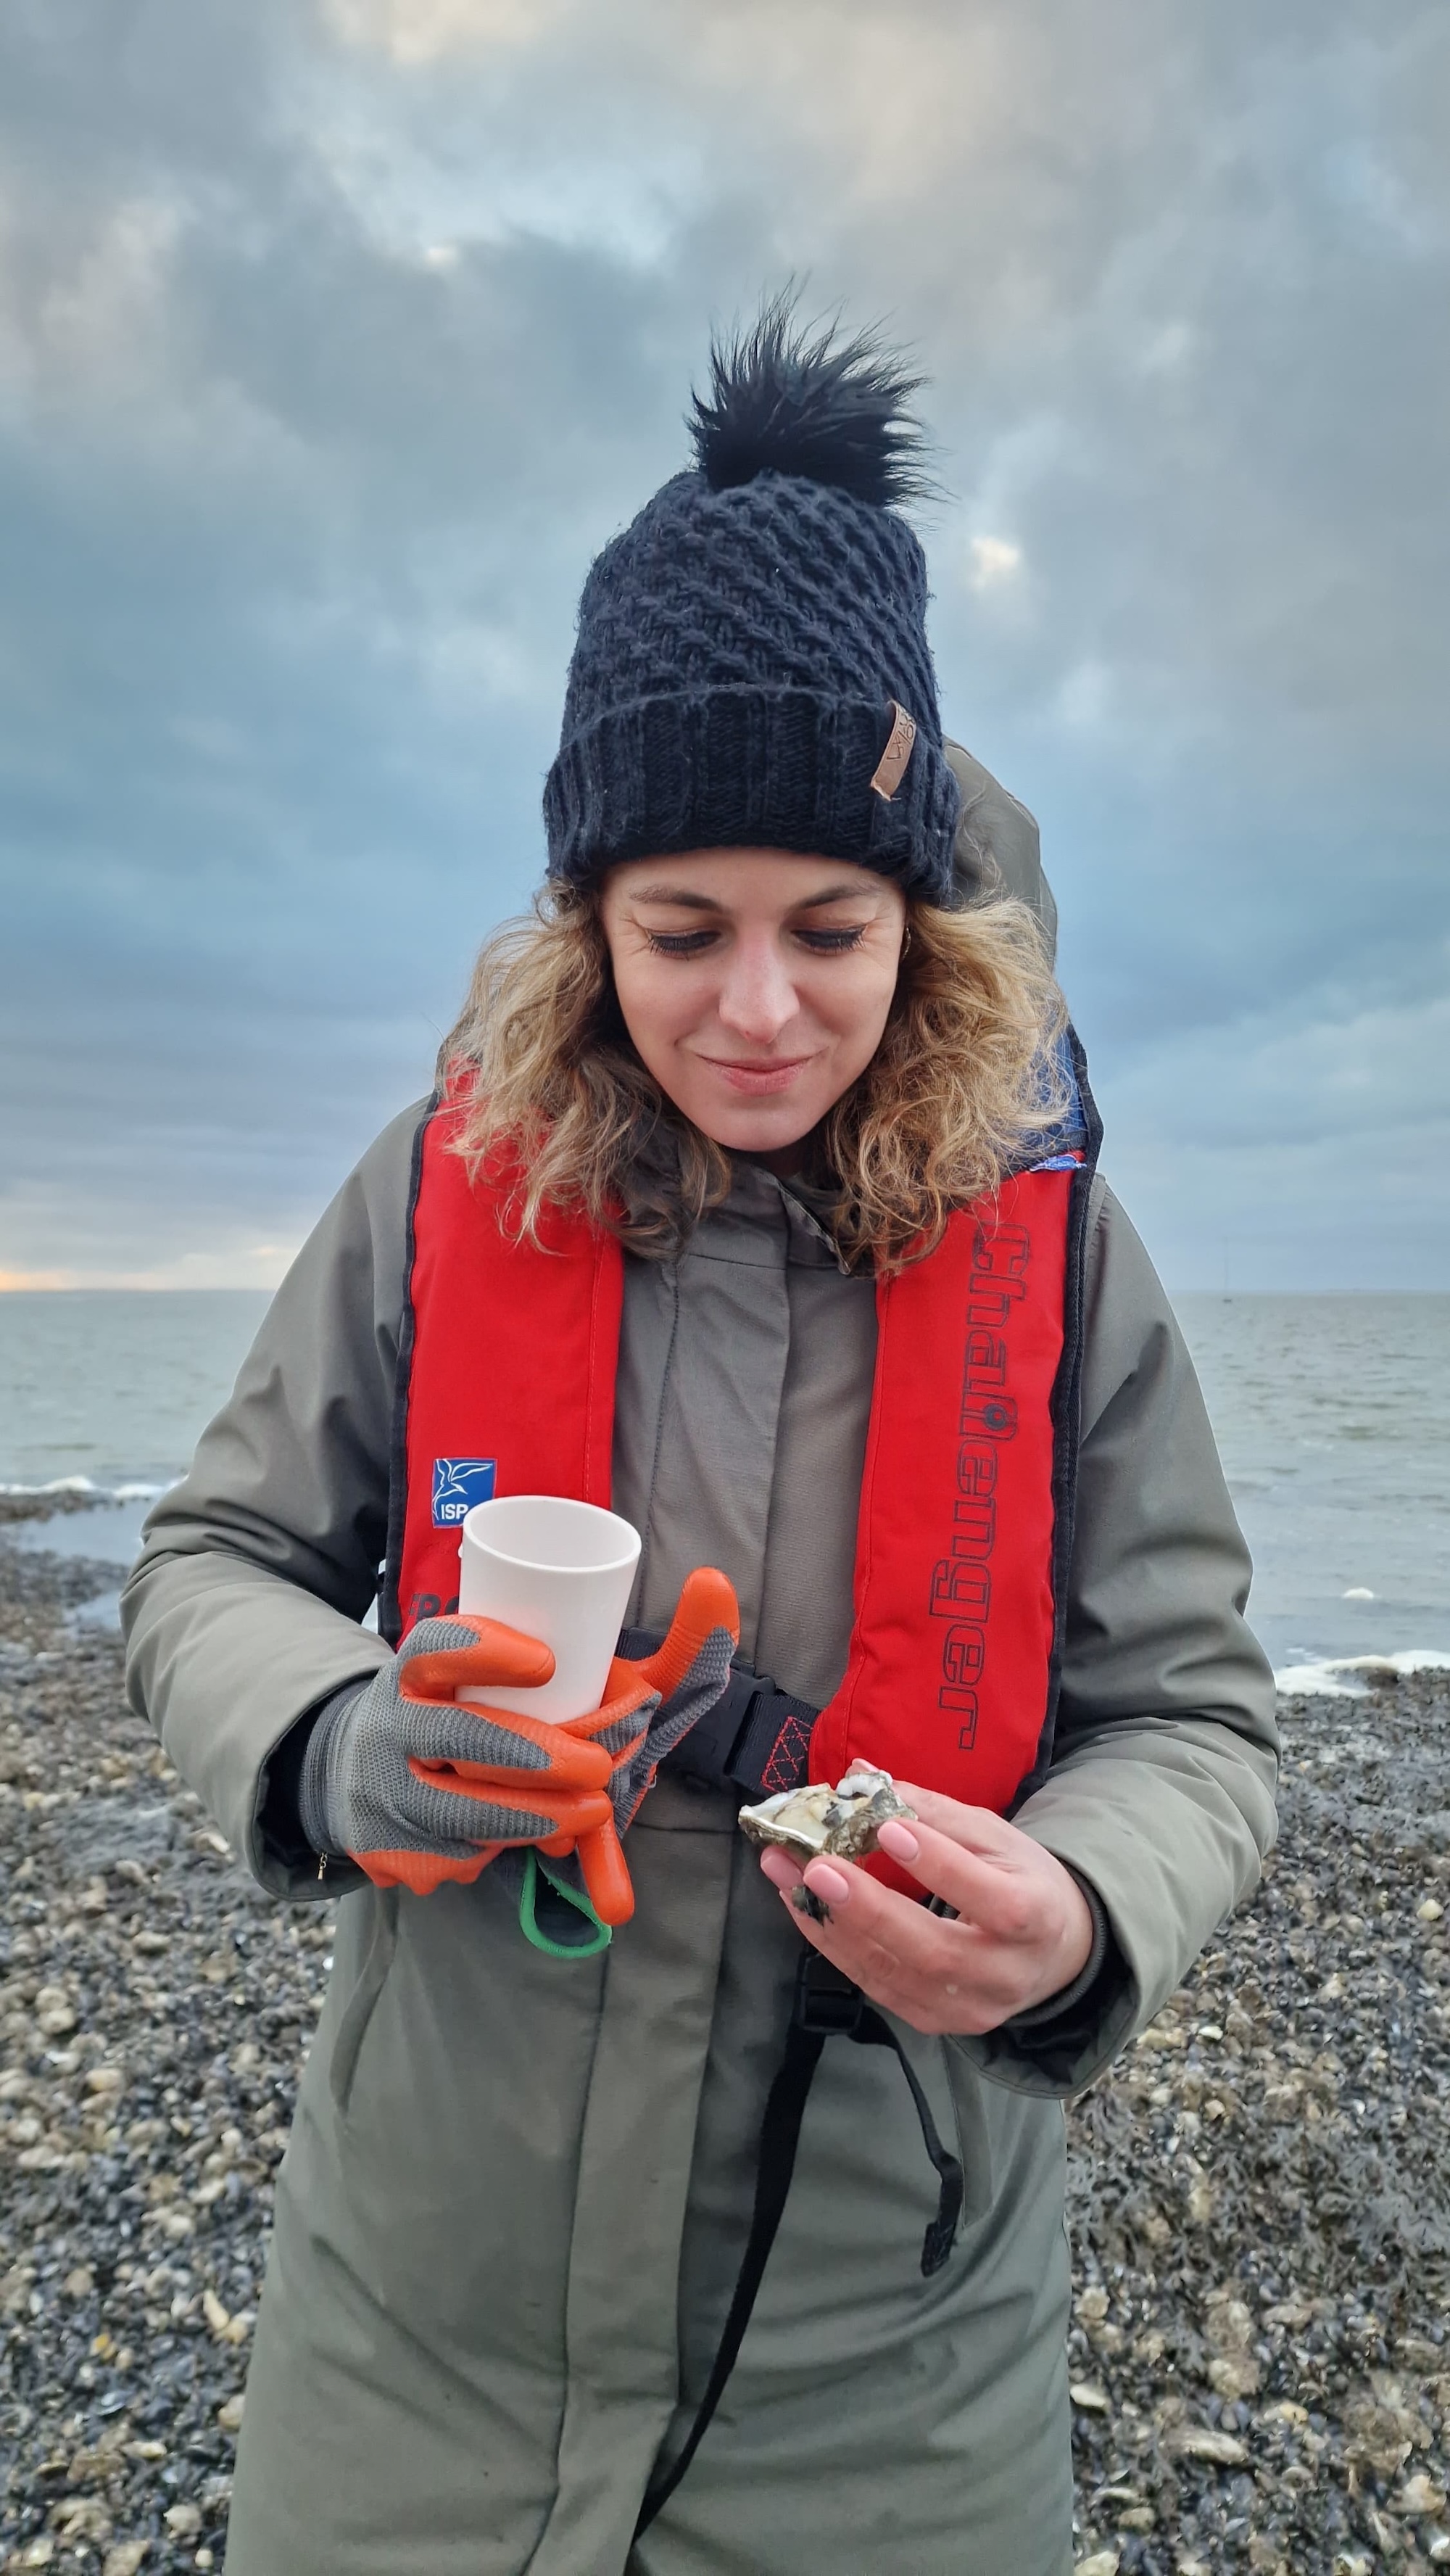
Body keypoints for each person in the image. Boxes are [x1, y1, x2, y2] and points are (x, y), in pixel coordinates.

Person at [123, 304, 1277, 2576]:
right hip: (411, 2331)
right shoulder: (438, 1191)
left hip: (895, 2369)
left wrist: (1082, 1917)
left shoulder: (1067, 1261)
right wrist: (346, 1739)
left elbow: (1198, 1716)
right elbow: (208, 1564)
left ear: (929, 929)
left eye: (833, 930)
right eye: (681, 931)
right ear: (583, 929)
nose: (760, 1012)